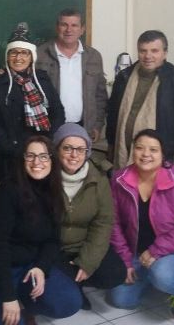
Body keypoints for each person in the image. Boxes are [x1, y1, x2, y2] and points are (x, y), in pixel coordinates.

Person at [0, 136, 82, 325]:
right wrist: (8, 297)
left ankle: (25, 306)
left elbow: (53, 240)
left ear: (52, 160)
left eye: (43, 156)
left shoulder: (54, 191)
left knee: (69, 301)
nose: (37, 162)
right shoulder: (7, 191)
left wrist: (41, 268)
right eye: (30, 156)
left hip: (28, 266)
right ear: (22, 160)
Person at [109, 129, 174, 320]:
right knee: (122, 300)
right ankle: (151, 275)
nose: (145, 154)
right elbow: (113, 223)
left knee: (164, 276)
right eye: (140, 148)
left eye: (153, 150)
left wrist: (155, 251)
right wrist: (125, 259)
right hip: (137, 250)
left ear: (163, 154)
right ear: (133, 150)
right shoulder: (119, 179)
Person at [106, 30, 174, 170]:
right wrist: (111, 143)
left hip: (163, 155)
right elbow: (113, 113)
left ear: (165, 53)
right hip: (124, 150)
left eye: (154, 51)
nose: (148, 56)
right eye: (143, 51)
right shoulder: (124, 77)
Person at [52, 123, 126, 310]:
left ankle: (77, 279)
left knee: (115, 272)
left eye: (80, 149)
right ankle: (71, 283)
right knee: (62, 296)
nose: (74, 155)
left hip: (83, 244)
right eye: (67, 148)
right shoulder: (45, 175)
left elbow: (103, 223)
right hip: (53, 248)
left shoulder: (98, 179)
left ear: (87, 152)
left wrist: (87, 262)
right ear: (57, 149)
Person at [0, 24, 65, 186]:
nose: (18, 57)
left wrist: (47, 141)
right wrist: (10, 147)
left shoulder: (42, 79)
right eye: (13, 52)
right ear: (7, 56)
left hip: (41, 153)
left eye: (24, 53)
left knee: (41, 193)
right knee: (9, 194)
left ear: (31, 57)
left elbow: (58, 111)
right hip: (10, 154)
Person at [37, 9, 107, 142]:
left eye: (74, 25)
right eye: (64, 24)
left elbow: (100, 96)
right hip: (49, 128)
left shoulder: (94, 56)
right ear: (57, 27)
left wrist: (97, 125)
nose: (69, 30)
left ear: (82, 29)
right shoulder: (39, 54)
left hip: (83, 127)